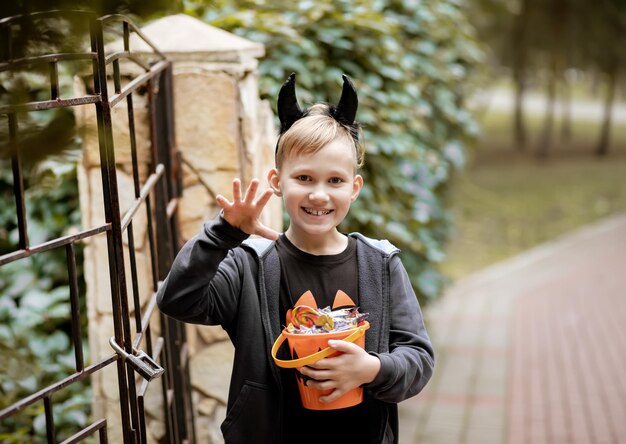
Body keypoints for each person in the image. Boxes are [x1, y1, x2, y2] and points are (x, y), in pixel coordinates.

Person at [157, 72, 434, 444]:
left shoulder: (381, 265)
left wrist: (371, 368)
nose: (319, 195)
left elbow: (418, 357)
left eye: (334, 181)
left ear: (354, 188)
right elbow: (178, 300)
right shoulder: (248, 265)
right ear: (277, 181)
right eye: (304, 177)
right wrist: (223, 233)